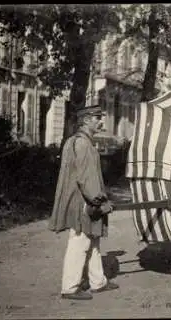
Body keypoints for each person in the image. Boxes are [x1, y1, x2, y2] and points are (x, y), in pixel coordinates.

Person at [48, 105, 119, 300]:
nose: (100, 121)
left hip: (78, 199)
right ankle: (70, 287)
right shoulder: (84, 145)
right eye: (97, 117)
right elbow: (86, 179)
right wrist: (100, 201)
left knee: (93, 239)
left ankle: (98, 282)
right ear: (86, 120)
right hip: (84, 202)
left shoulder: (74, 141)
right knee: (79, 242)